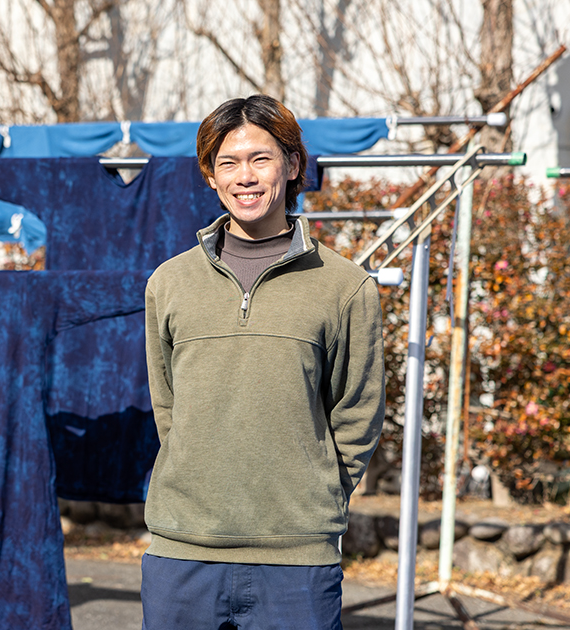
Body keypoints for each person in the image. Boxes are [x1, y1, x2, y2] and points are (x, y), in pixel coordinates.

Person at [141, 94, 385, 629]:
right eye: (228, 162)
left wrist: (313, 499)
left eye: (260, 159)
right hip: (182, 552)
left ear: (292, 165)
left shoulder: (345, 287)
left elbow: (358, 413)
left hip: (297, 561)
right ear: (210, 175)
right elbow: (168, 407)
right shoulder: (169, 282)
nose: (244, 177)